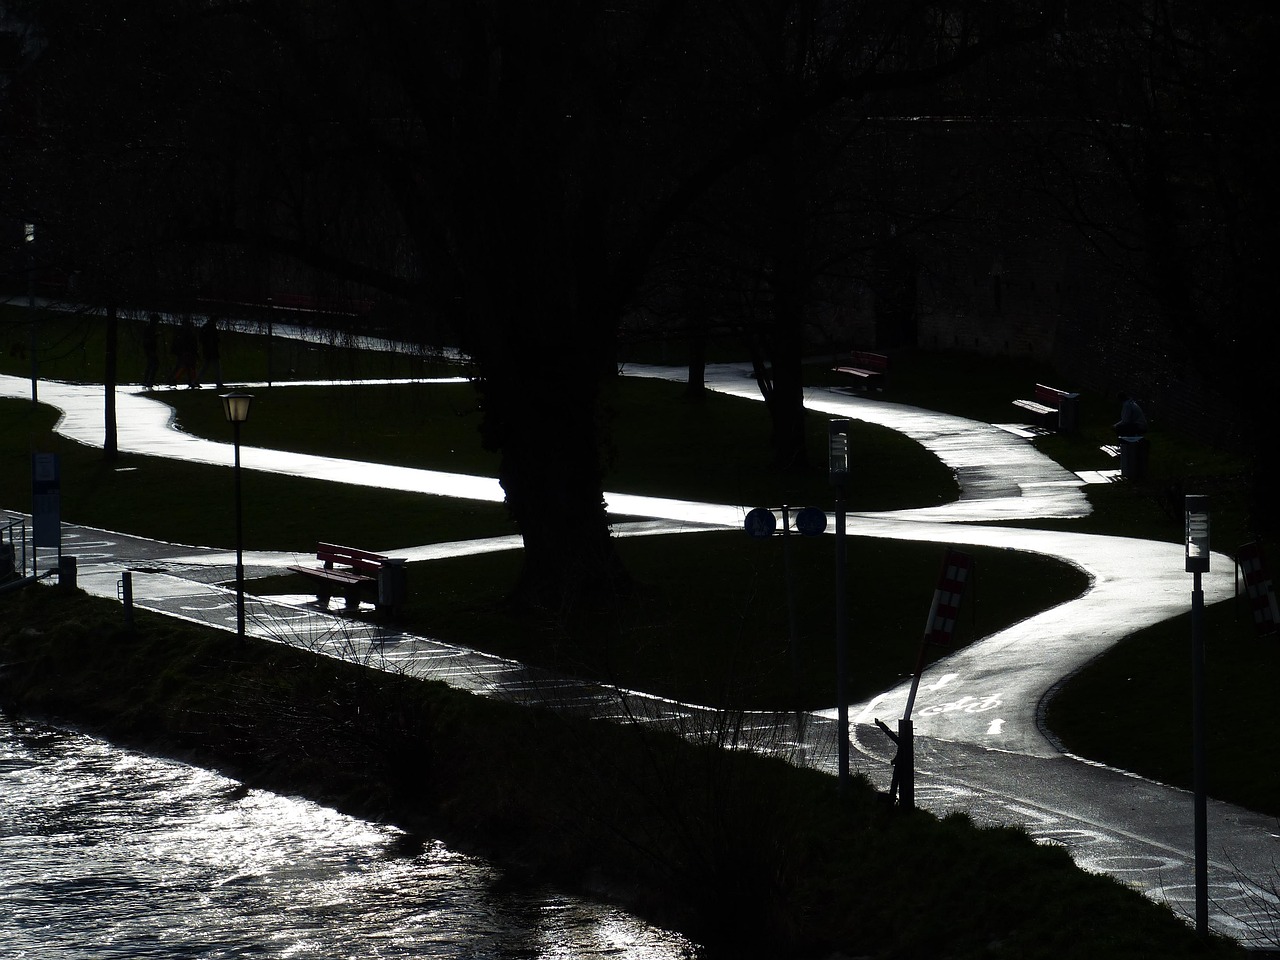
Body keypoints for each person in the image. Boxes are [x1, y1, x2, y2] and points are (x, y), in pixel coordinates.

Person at [170, 317, 200, 388]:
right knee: (190, 367)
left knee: (186, 367)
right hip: (189, 352)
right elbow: (191, 344)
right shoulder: (188, 333)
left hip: (186, 352)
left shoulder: (182, 332)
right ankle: (192, 381)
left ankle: (177, 379)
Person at [199, 315, 224, 389]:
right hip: (212, 350)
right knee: (216, 367)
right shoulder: (212, 328)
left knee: (205, 366)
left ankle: (197, 380)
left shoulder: (206, 327)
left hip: (207, 349)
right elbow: (214, 339)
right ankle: (218, 382)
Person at [141, 313, 161, 390]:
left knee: (151, 364)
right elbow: (149, 339)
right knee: (154, 364)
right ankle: (149, 380)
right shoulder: (150, 328)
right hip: (150, 348)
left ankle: (147, 380)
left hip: (150, 348)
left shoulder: (150, 327)